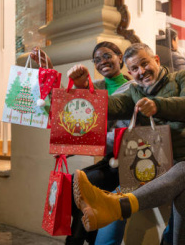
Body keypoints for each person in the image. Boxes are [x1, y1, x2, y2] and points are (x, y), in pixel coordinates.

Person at [69, 43, 185, 245]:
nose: (141, 71)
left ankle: (119, 206)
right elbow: (108, 106)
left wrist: (158, 105)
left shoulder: (181, 78)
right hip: (154, 163)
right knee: (115, 196)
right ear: (130, 72)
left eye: (145, 63)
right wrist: (84, 89)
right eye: (135, 69)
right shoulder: (135, 92)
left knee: (182, 198)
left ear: (156, 60)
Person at [31, 42, 133, 245]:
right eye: (97, 59)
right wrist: (49, 69)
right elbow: (72, 114)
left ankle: (76, 241)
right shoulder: (96, 86)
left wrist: (90, 141)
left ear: (120, 57)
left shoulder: (133, 88)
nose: (102, 62)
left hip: (128, 162)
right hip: (110, 160)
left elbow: (123, 133)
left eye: (107, 56)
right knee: (78, 194)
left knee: (81, 189)